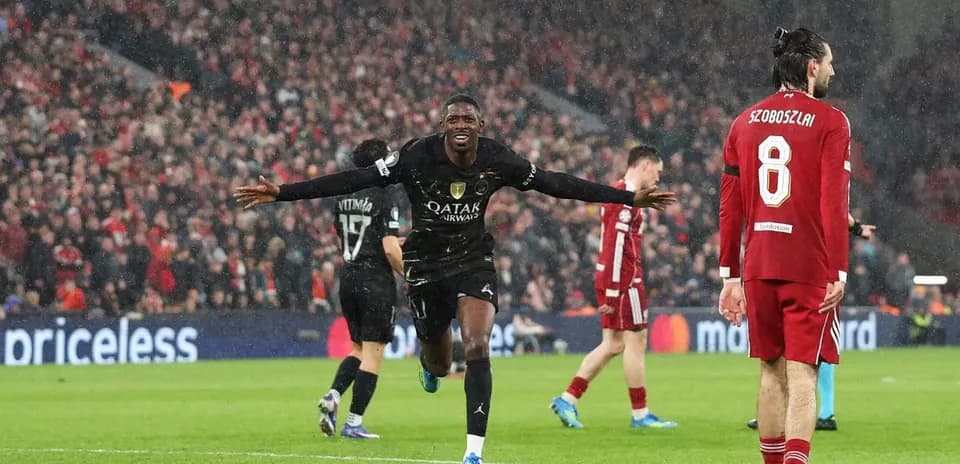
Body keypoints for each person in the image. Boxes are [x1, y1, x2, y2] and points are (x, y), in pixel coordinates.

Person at [235, 94, 677, 464]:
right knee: (440, 363)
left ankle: (474, 451)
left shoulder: (497, 157)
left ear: (480, 125)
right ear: (443, 125)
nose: (461, 123)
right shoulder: (415, 155)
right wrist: (283, 193)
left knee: (479, 343)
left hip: (472, 262)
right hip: (425, 268)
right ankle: (430, 368)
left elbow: (554, 183)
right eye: (453, 118)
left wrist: (626, 197)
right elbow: (357, 178)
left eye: (469, 118)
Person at [718, 27, 851, 464]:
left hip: (758, 265)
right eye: (829, 63)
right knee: (803, 378)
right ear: (812, 67)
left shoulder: (743, 122)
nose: (833, 70)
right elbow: (833, 201)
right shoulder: (831, 121)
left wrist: (729, 276)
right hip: (808, 267)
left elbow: (729, 205)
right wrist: (839, 269)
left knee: (770, 374)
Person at [550, 145, 677, 430]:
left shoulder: (619, 194)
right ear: (644, 166)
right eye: (656, 173)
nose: (657, 179)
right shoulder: (625, 200)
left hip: (613, 276)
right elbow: (616, 246)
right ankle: (640, 414)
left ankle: (568, 399)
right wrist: (613, 290)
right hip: (624, 280)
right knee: (635, 342)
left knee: (614, 343)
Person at [747, 213, 875, 432]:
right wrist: (856, 228)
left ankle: (800, 411)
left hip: (778, 265)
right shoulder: (817, 180)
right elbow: (833, 207)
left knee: (785, 350)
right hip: (811, 268)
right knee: (813, 347)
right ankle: (815, 411)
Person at [316, 139, 405, 439]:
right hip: (375, 281)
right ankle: (354, 422)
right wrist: (411, 274)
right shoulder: (384, 197)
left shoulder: (343, 196)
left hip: (349, 277)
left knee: (358, 349)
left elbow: (345, 238)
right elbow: (391, 250)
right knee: (374, 352)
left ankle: (333, 396)